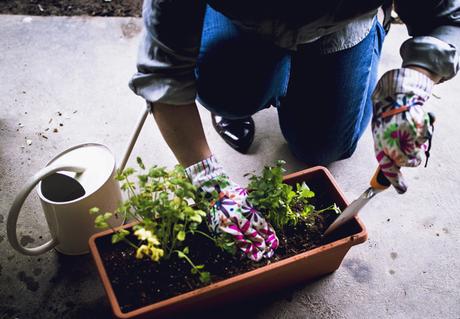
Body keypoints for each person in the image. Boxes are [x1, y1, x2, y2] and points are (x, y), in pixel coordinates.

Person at [129, 1, 460, 261]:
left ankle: (346, 55)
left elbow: (445, 16)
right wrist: (209, 182)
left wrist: (413, 87)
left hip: (341, 25)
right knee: (225, 91)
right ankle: (273, 80)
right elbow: (165, 73)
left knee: (323, 148)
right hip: (246, 23)